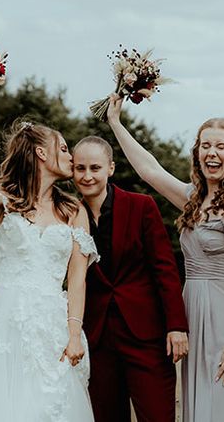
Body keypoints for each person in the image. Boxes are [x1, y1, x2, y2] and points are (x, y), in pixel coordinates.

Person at [106, 95, 224, 422]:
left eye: (221, 146)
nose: (212, 152)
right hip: (195, 312)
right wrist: (115, 123)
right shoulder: (193, 200)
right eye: (205, 145)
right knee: (204, 405)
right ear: (197, 152)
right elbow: (149, 170)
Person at [0, 95, 96, 421]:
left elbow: (77, 279)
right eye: (64, 149)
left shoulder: (73, 210)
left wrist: (74, 333)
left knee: (48, 406)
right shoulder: (3, 202)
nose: (70, 156)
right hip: (1, 322)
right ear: (41, 153)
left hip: (51, 324)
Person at [73, 135, 188, 422]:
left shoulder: (142, 206)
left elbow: (165, 268)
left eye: (95, 168)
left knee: (157, 415)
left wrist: (176, 325)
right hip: (96, 337)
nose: (87, 176)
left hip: (145, 334)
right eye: (80, 168)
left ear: (110, 168)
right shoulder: (67, 214)